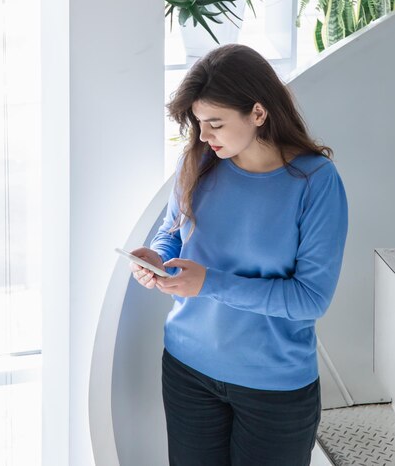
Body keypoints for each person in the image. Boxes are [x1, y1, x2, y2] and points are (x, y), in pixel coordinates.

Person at [130, 44, 348, 466]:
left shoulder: (315, 183)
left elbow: (311, 298)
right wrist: (157, 260)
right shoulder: (197, 160)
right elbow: (172, 233)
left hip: (274, 388)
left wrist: (210, 283)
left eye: (216, 123)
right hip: (187, 369)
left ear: (259, 114)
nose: (204, 135)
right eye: (198, 123)